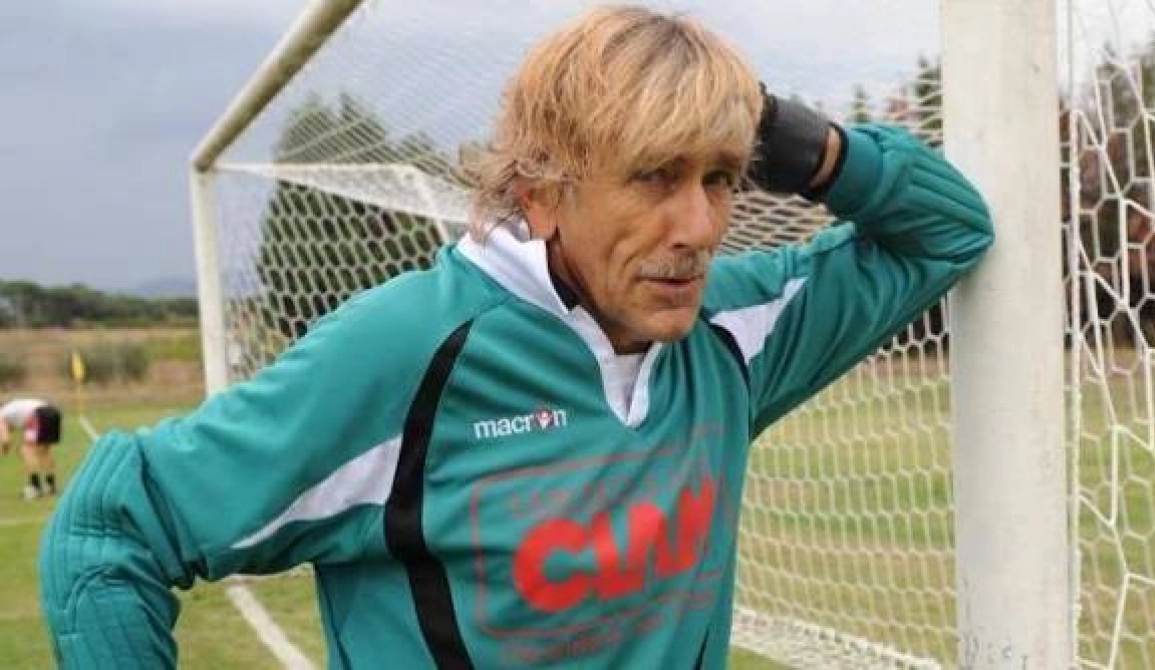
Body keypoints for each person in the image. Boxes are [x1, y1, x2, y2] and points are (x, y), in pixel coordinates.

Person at [40, 6, 993, 669]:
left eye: (720, 177)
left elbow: (949, 232)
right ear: (540, 194)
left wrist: (786, 133)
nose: (701, 227)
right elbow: (108, 529)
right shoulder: (407, 352)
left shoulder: (729, 334)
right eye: (655, 176)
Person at [0, 397, 62, 500]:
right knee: (44, 452)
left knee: (26, 451)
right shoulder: (11, 409)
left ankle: (35, 487)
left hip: (38, 415)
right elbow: (11, 428)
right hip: (53, 412)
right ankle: (51, 486)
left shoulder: (1, 415)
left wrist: (5, 449)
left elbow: (6, 440)